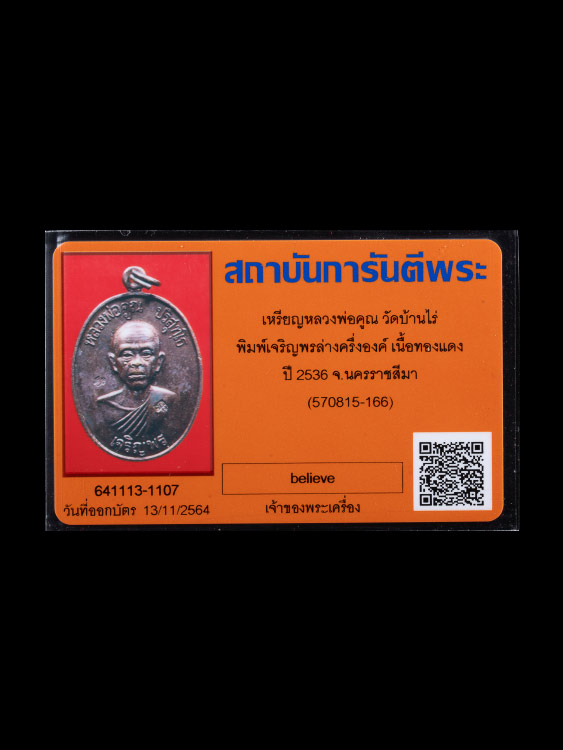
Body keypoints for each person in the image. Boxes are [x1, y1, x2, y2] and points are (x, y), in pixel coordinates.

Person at [97, 320, 176, 437]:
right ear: (113, 363)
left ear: (159, 362)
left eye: (146, 354)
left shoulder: (169, 400)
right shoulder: (104, 405)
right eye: (127, 355)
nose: (136, 362)